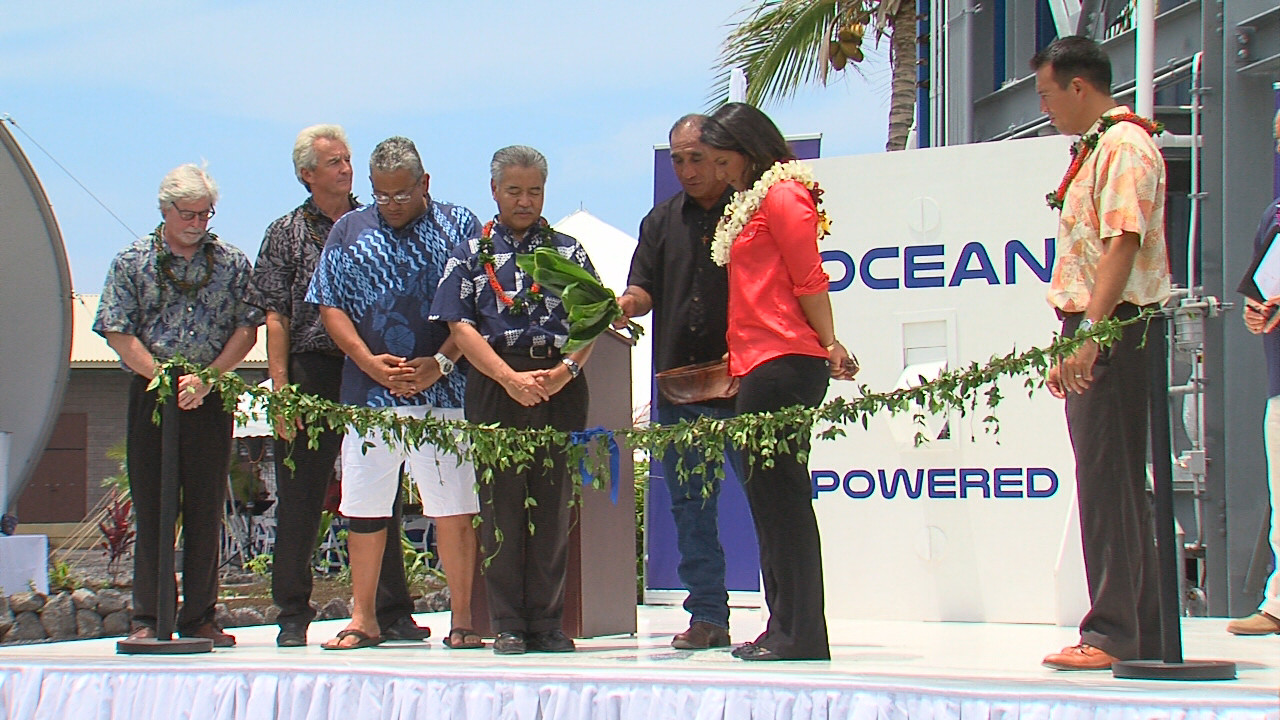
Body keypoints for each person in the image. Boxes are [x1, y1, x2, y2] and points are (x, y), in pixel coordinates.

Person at [247, 124, 428, 647]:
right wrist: (282, 389)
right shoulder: (285, 232)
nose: (344, 169)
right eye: (333, 162)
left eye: (347, 159)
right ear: (307, 174)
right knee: (301, 492)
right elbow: (275, 314)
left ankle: (391, 610)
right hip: (312, 367)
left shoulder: (374, 219)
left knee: (381, 491)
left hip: (373, 367)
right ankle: (292, 612)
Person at [306, 136, 481, 651]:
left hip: (444, 392)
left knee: (452, 508)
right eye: (381, 195)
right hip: (370, 394)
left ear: (425, 184)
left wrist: (442, 361)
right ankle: (364, 618)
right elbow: (329, 304)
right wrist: (366, 361)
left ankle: (464, 618)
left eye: (402, 194)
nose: (392, 205)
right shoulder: (348, 230)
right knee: (364, 508)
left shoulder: (460, 225)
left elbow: (476, 302)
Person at [699, 103, 856, 661]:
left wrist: (830, 343)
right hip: (757, 361)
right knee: (769, 502)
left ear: (750, 150)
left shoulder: (785, 194)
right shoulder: (753, 201)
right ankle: (784, 623)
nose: (719, 173)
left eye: (723, 160)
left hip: (784, 360)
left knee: (782, 500)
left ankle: (803, 633)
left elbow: (808, 274)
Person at [1034, 36, 1172, 670]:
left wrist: (1091, 335)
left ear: (1079, 87)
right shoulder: (1094, 148)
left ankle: (1114, 630)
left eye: (1047, 94)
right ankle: (1130, 624)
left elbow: (1123, 244)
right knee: (1105, 478)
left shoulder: (1123, 146)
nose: (1047, 107)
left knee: (1112, 480)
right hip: (1091, 320)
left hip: (1113, 323)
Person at [431, 145, 596, 655]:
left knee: (552, 502)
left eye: (535, 191)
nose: (525, 202)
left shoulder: (568, 250)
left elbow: (591, 318)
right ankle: (506, 621)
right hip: (494, 381)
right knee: (500, 505)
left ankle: (547, 621)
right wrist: (507, 378)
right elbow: (460, 325)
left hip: (558, 381)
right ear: (495, 191)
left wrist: (566, 370)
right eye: (514, 191)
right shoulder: (468, 254)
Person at [93, 164, 262, 647]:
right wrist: (162, 377)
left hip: (208, 395)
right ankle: (149, 615)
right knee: (154, 506)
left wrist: (209, 379)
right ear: (165, 211)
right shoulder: (132, 260)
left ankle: (201, 614)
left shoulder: (230, 262)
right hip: (152, 394)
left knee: (206, 507)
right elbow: (119, 332)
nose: (197, 223)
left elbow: (247, 328)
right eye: (188, 214)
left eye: (205, 214)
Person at [617, 114, 739, 650]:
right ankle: (708, 615)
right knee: (691, 503)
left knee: (770, 498)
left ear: (720, 155)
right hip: (679, 385)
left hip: (746, 381)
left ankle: (789, 616)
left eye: (697, 157)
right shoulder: (661, 220)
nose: (688, 170)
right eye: (679, 160)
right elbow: (641, 289)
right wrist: (621, 306)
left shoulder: (749, 211)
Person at [1228, 108, 1280, 636]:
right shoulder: (1275, 214)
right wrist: (1255, 312)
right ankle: (1278, 601)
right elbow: (1257, 291)